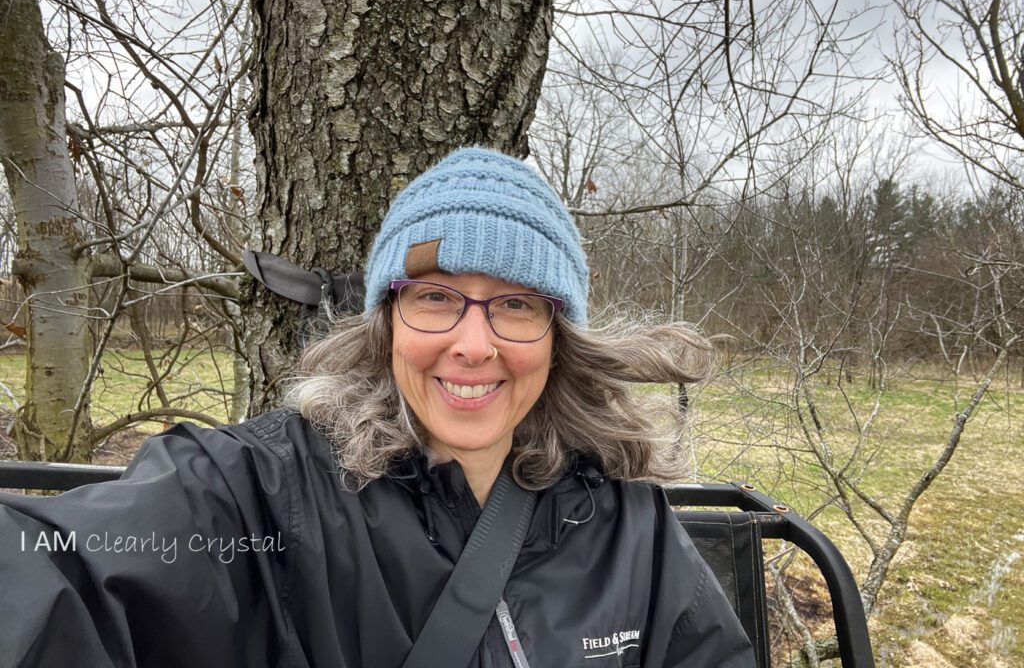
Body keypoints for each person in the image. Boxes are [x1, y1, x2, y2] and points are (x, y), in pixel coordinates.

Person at [0, 147, 754, 667]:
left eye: (516, 305)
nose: (473, 343)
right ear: (386, 321)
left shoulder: (633, 535)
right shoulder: (259, 494)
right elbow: (60, 582)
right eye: (435, 297)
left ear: (558, 336)